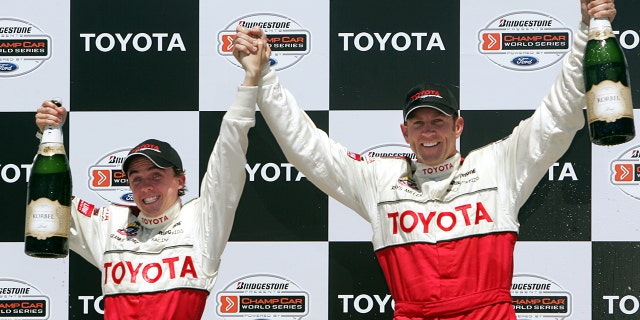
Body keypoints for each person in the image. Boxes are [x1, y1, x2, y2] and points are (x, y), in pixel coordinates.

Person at [233, 0, 616, 319]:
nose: (428, 131)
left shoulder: (499, 165)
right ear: (404, 133)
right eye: (418, 123)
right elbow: (308, 149)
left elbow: (558, 117)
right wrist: (263, 77)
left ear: (458, 126)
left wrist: (586, 32)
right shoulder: (380, 179)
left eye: (438, 121)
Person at [33, 83, 257, 319]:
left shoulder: (202, 221)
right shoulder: (110, 222)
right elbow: (48, 198)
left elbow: (228, 156)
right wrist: (48, 132)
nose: (146, 186)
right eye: (136, 178)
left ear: (180, 181)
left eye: (156, 175)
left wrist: (250, 84)